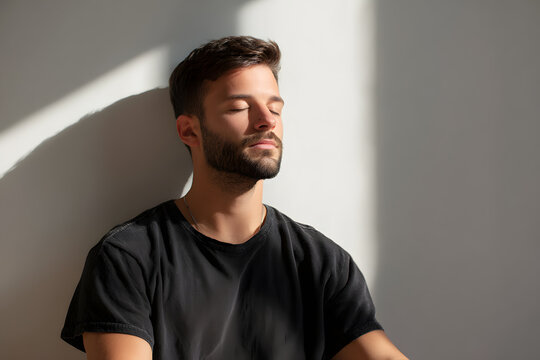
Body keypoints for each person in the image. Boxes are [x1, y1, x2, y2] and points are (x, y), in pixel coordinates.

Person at [61, 36, 408, 360]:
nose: (265, 122)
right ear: (189, 130)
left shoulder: (321, 261)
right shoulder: (129, 257)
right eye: (240, 107)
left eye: (275, 108)